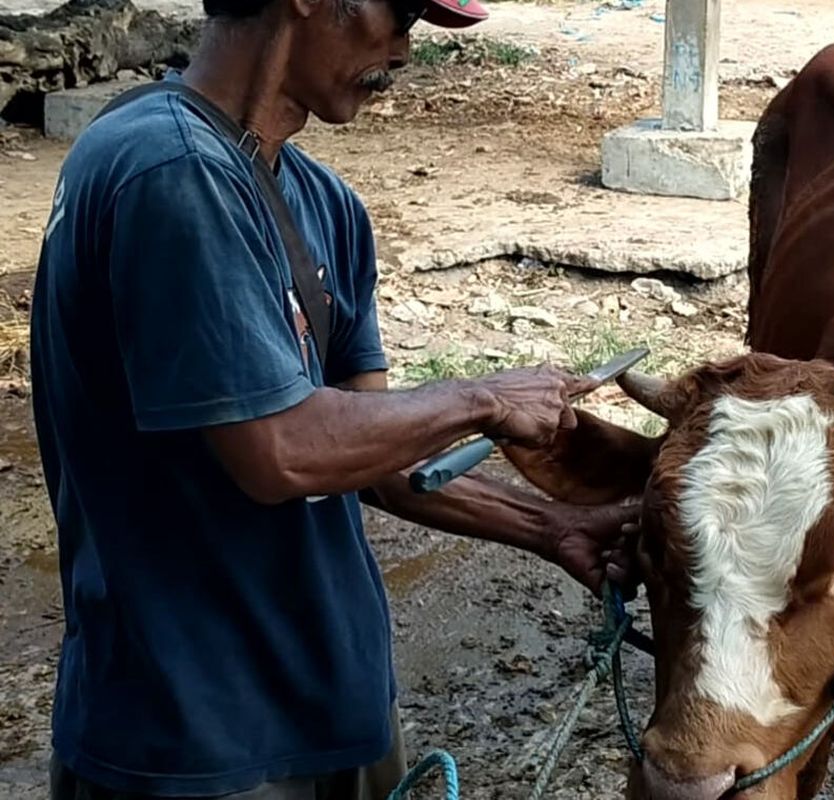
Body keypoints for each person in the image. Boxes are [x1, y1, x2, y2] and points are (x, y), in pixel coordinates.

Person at [28, 0, 639, 797]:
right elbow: (280, 452)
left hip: (333, 710)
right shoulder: (168, 171)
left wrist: (552, 529)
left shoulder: (326, 205)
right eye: (403, 13)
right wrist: (481, 397)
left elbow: (371, 462)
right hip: (193, 737)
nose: (404, 51)